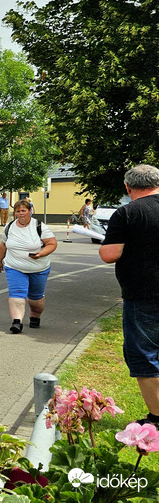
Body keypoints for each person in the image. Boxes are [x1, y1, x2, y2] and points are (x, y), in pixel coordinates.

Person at [99, 164, 159, 426]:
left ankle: (157, 418)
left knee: (145, 354)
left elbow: (109, 254)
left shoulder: (127, 213)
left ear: (128, 187)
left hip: (143, 294)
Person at [0, 199, 57, 333]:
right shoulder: (9, 227)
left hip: (38, 268)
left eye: (24, 210)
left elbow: (52, 244)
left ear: (30, 211)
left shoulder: (39, 226)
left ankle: (35, 316)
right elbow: (3, 245)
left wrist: (40, 254)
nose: (21, 213)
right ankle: (17, 322)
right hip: (14, 266)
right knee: (17, 293)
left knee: (36, 297)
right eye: (18, 211)